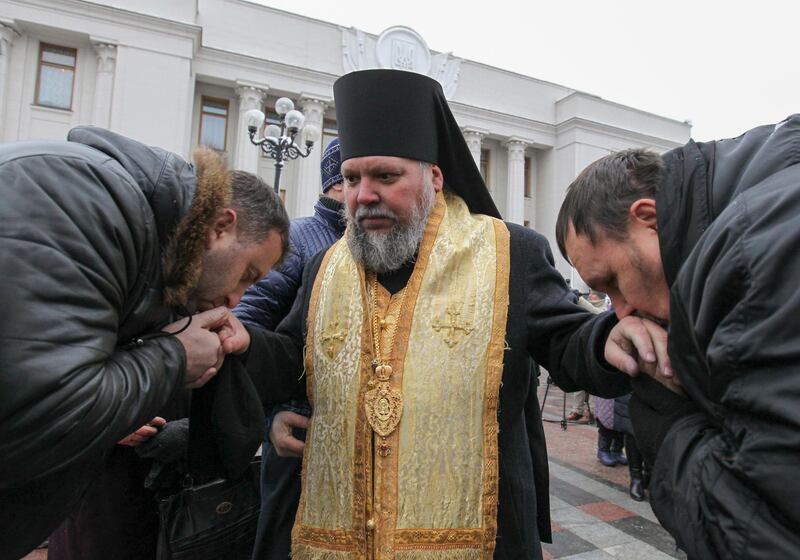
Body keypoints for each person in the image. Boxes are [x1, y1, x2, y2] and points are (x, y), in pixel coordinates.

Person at [210, 69, 668, 559]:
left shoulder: (509, 252)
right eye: (351, 178)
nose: (364, 195)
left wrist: (605, 340)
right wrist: (248, 344)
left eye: (386, 176)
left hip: (479, 537)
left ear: (433, 177)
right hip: (346, 535)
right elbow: (293, 359)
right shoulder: (328, 263)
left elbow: (568, 342)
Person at [0, 126, 289, 560]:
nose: (236, 300)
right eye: (247, 275)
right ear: (222, 226)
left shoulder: (158, 255)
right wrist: (173, 356)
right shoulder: (87, 202)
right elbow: (43, 411)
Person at [555, 115, 800, 558]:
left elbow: (758, 530)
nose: (621, 311)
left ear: (647, 218)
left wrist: (664, 412)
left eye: (612, 279)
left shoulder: (754, 252)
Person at [234, 137, 347, 560]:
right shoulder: (301, 237)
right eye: (354, 177)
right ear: (338, 183)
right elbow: (245, 332)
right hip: (298, 437)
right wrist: (272, 414)